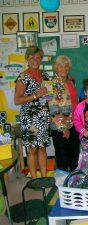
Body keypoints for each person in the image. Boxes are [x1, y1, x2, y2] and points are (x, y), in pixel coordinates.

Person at [14, 47, 50, 179]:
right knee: (33, 149)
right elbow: (17, 100)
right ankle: (35, 178)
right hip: (30, 118)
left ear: (41, 59)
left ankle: (44, 177)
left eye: (38, 57)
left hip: (43, 117)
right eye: (32, 57)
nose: (35, 60)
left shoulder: (45, 75)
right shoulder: (23, 77)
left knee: (42, 148)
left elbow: (47, 97)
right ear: (27, 59)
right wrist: (36, 95)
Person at [48, 55, 79, 172]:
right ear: (56, 67)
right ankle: (63, 184)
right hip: (61, 125)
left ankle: (73, 180)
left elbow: (72, 100)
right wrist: (64, 128)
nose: (64, 69)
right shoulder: (53, 83)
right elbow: (53, 108)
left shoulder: (69, 81)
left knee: (73, 154)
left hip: (73, 121)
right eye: (61, 66)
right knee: (62, 156)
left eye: (66, 66)